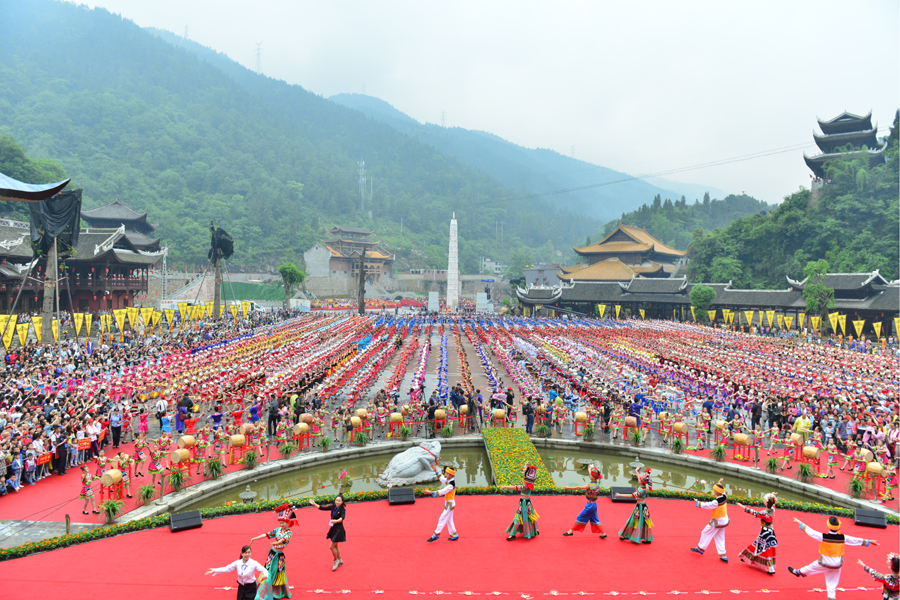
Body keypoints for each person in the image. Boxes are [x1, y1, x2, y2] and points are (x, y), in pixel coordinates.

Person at [788, 516, 879, 600]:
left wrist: (799, 522)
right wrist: (869, 541)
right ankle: (831, 597)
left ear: (828, 526)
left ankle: (797, 572)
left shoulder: (823, 536)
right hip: (837, 565)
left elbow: (811, 532)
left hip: (824, 563)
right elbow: (854, 540)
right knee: (831, 585)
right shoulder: (842, 537)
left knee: (810, 567)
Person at [249, 504, 296, 599]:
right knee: (267, 571)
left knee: (279, 572)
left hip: (280, 556)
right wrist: (255, 538)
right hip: (272, 554)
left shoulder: (289, 533)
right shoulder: (277, 530)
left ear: (288, 523)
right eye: (280, 523)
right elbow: (267, 534)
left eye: (283, 523)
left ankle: (276, 591)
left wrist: (277, 542)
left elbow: (284, 540)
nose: (281, 525)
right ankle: (264, 592)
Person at [735, 492, 778, 574]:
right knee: (757, 544)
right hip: (770, 532)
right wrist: (772, 495)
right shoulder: (772, 510)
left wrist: (742, 506)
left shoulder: (764, 513)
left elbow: (753, 512)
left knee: (765, 548)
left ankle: (771, 568)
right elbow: (773, 504)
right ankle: (746, 556)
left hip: (765, 533)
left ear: (766, 502)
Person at [690, 478, 730, 563]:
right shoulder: (724, 495)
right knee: (720, 537)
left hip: (717, 521)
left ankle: (700, 548)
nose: (713, 491)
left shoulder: (716, 501)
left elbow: (708, 505)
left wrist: (698, 503)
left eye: (715, 490)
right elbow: (722, 490)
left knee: (705, 532)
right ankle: (723, 555)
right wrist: (719, 482)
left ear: (717, 492)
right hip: (724, 520)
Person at [562, 464, 606, 538]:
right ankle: (603, 533)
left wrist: (568, 488)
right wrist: (590, 469)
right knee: (595, 519)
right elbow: (592, 474)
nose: (589, 475)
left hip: (590, 505)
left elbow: (579, 487)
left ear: (592, 477)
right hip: (594, 504)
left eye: (590, 475)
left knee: (580, 517)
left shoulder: (589, 485)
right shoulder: (597, 484)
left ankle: (571, 531)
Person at [501, 464, 540, 541]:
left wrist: (504, 486)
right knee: (530, 516)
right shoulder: (531, 485)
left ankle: (512, 534)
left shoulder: (523, 486)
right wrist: (526, 467)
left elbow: (514, 487)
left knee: (518, 517)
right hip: (528, 503)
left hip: (523, 504)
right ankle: (534, 530)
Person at [309, 494, 347, 571]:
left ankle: (336, 561)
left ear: (342, 502)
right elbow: (322, 508)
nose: (337, 502)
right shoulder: (333, 506)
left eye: (339, 501)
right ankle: (339, 559)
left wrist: (336, 521)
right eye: (336, 500)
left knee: (331, 546)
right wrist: (314, 504)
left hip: (339, 530)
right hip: (333, 528)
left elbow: (342, 518)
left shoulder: (342, 509)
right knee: (335, 546)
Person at [616, 467, 653, 544]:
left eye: (639, 479)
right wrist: (636, 471)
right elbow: (640, 477)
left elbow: (630, 496)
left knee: (635, 521)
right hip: (642, 506)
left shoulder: (641, 490)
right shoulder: (643, 486)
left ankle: (631, 536)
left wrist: (620, 495)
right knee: (641, 521)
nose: (638, 479)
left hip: (640, 508)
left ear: (642, 482)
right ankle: (644, 538)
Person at [423, 464, 459, 542]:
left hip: (450, 504)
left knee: (442, 518)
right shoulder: (449, 480)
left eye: (447, 473)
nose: (445, 474)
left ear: (451, 475)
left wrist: (430, 492)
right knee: (449, 519)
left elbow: (442, 491)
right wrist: (436, 471)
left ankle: (436, 534)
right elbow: (442, 479)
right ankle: (454, 534)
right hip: (449, 504)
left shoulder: (451, 485)